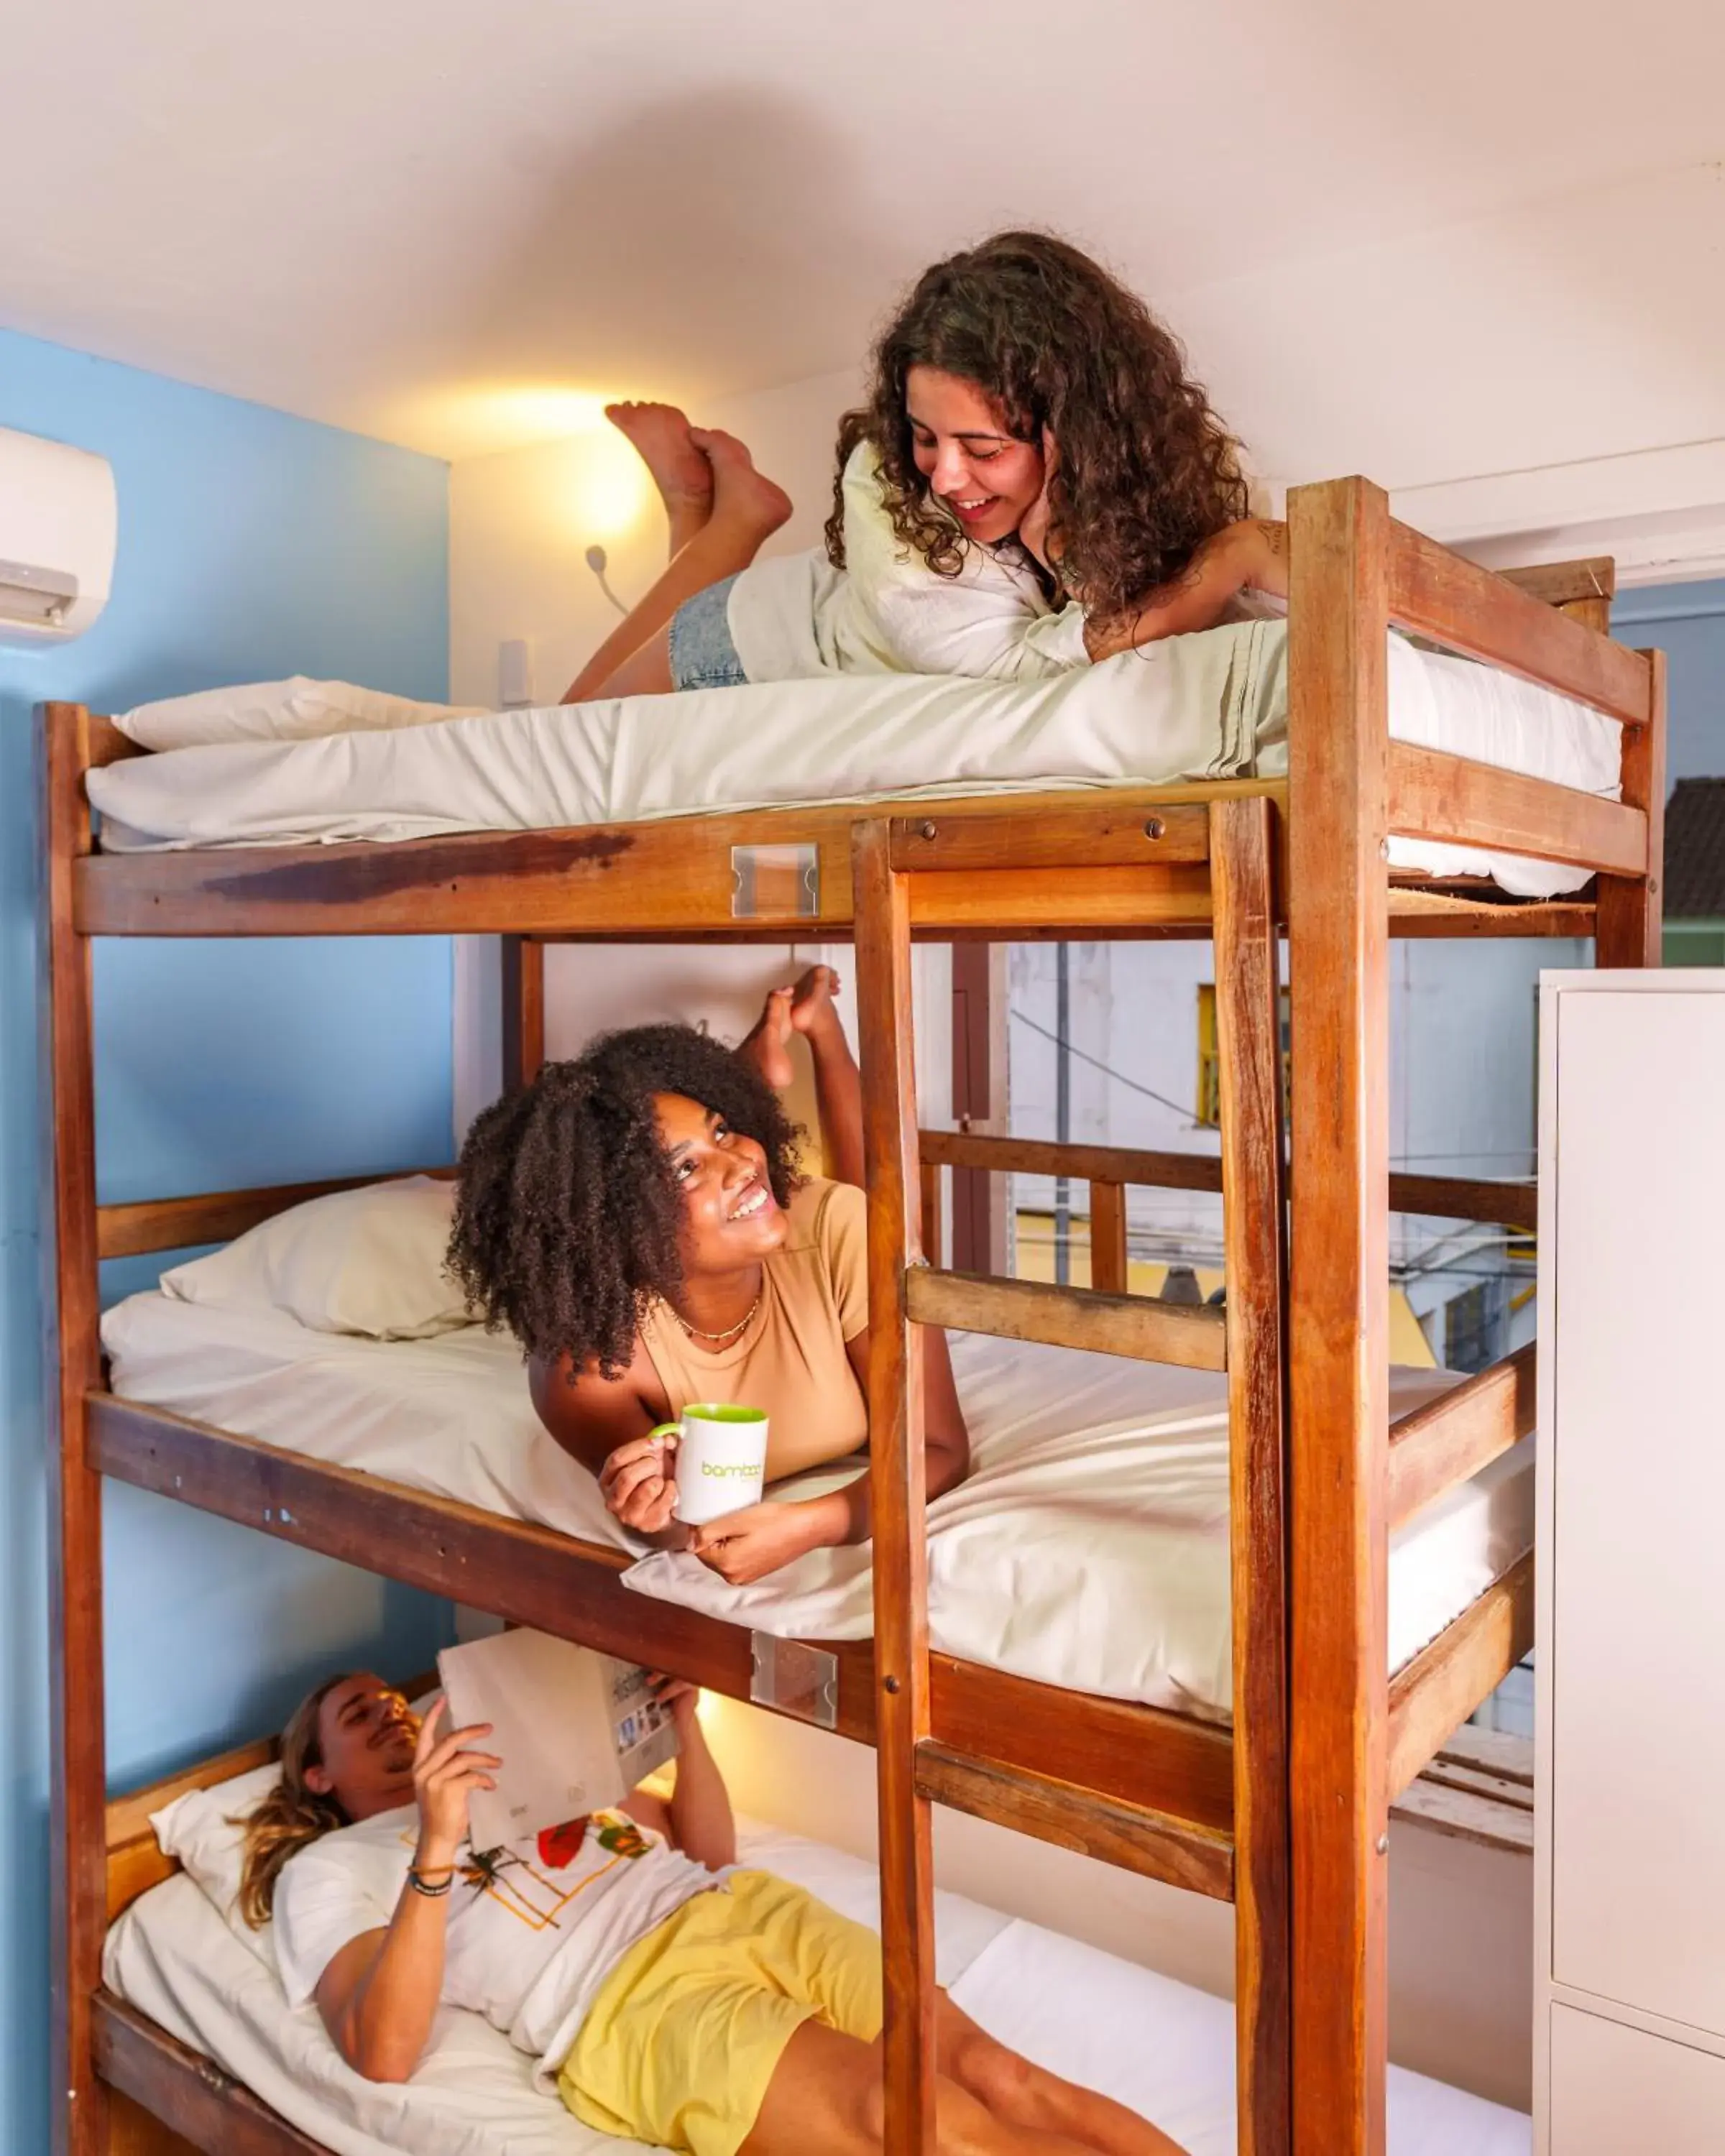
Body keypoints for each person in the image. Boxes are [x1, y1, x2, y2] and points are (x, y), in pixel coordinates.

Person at [245, 1669, 1192, 2155]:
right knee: (921, 2125)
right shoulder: (329, 1870)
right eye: (358, 1715)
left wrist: (685, 1729)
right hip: (631, 2004)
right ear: (317, 1775)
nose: (390, 1712)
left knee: (1000, 2076)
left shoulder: (510, 1771)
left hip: (735, 1908)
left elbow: (707, 1849)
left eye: (393, 1701)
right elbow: (383, 2050)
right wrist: (437, 1841)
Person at [561, 229, 1286, 706]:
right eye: (925, 436)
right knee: (558, 731)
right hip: (749, 638)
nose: (943, 477)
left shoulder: (1159, 473)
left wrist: (1062, 545)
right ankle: (723, 518)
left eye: (983, 449)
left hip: (832, 593)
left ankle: (704, 510)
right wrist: (1224, 562)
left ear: (1083, 436)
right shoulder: (883, 484)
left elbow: (1163, 614)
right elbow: (1022, 667)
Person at [446, 967, 965, 1586]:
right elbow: (672, 1525)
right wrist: (656, 1514)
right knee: (849, 1210)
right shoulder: (586, 1365)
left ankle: (817, 1032)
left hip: (826, 1235)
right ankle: (763, 1059)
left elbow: (940, 1448)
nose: (742, 1160)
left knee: (876, 1207)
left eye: (722, 1128)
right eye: (685, 1169)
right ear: (618, 1227)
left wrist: (817, 1523)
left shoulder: (838, 1228)